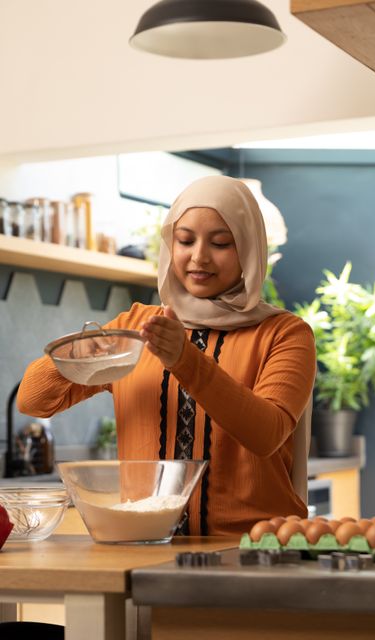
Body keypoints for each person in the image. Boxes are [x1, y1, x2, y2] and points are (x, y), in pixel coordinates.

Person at [17, 175, 316, 536]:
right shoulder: (136, 326)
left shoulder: (283, 333)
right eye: (185, 240)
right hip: (148, 547)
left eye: (221, 243)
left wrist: (184, 359)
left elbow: (267, 433)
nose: (199, 256)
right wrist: (73, 355)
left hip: (255, 552)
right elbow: (32, 401)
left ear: (250, 250)